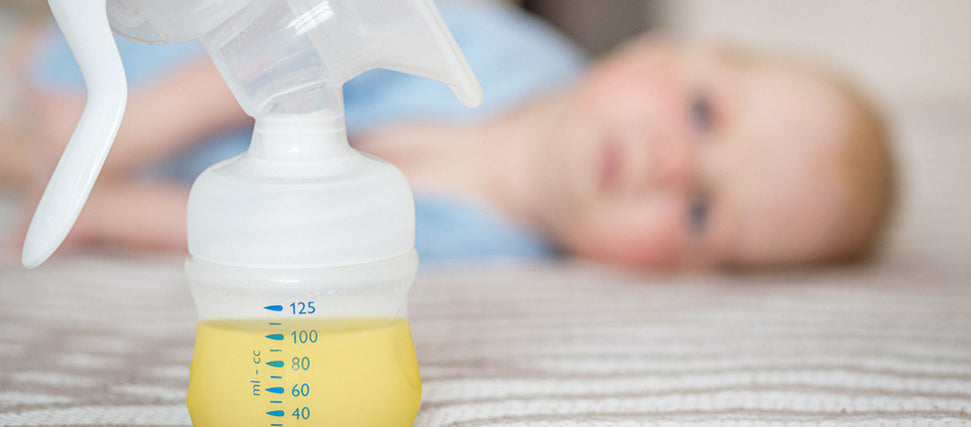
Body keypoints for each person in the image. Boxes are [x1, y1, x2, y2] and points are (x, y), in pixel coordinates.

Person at [6, 0, 895, 269]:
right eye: (701, 115)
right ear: (659, 50)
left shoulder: (496, 250)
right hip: (140, 63)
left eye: (701, 210)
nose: (671, 164)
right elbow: (287, 57)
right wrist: (115, 136)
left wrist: (103, 210)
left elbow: (284, 242)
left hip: (130, 165)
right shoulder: (506, 49)